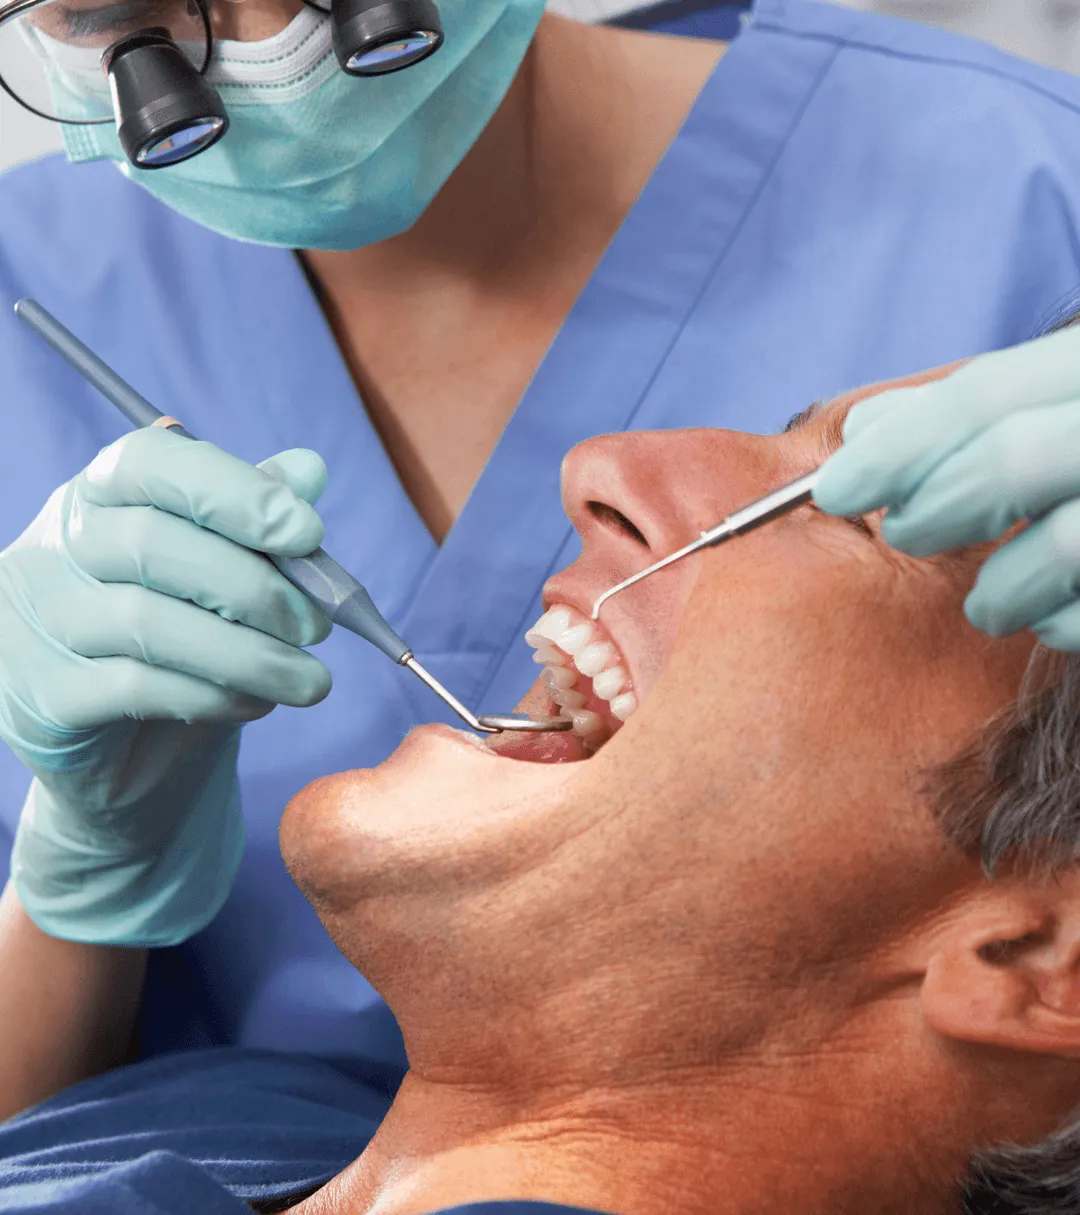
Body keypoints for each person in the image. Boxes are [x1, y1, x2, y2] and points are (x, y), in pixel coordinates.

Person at [5, 0, 1080, 1072]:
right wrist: (82, 888)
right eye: (111, 14)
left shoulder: (1028, 195)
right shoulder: (31, 288)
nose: (270, 57)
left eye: (840, 504)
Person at [6, 328, 1080, 1213]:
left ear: (1039, 955)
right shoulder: (245, 1109)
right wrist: (74, 901)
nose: (598, 468)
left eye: (853, 511)